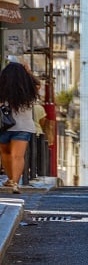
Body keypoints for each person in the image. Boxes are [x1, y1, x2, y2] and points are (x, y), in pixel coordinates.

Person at [0, 62, 40, 194]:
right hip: (24, 127)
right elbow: (38, 83)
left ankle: (11, 179)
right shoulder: (30, 89)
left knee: (5, 154)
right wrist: (28, 73)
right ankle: (15, 183)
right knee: (18, 156)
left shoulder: (2, 89)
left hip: (4, 126)